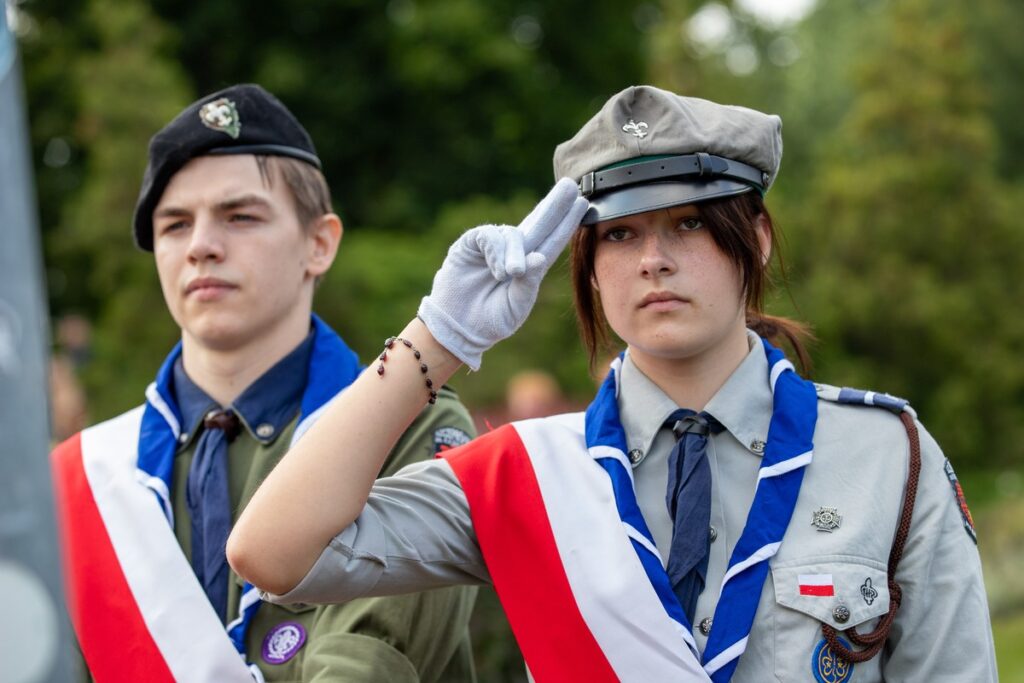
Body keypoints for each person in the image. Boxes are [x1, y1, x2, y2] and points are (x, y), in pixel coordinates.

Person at [227, 85, 997, 682]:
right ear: (590, 267)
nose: (652, 260)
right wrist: (440, 339)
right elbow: (270, 550)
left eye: (690, 222)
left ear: (754, 238)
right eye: (620, 233)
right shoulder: (525, 476)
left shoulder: (886, 454)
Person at [50, 84, 478, 682]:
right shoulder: (81, 477)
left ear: (319, 243)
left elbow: (368, 663)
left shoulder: (409, 424)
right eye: (174, 225)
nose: (201, 246)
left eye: (240, 216)